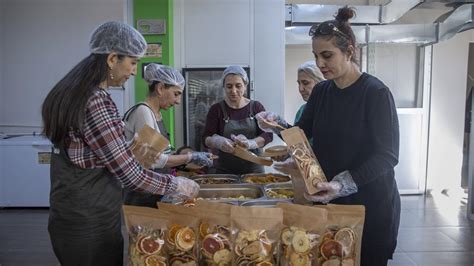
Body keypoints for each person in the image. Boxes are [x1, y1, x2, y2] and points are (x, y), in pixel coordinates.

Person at [41, 21, 199, 265]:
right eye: (133, 62)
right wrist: (176, 185)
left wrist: (126, 148)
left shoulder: (74, 92)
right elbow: (130, 176)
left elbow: (87, 154)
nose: (135, 71)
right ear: (113, 59)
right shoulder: (96, 101)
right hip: (89, 223)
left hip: (72, 217)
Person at [256, 7, 400, 266]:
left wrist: (342, 184)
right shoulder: (322, 92)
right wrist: (276, 126)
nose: (320, 64)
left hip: (369, 207)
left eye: (327, 55)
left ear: (349, 52)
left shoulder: (375, 93)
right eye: (316, 56)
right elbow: (301, 133)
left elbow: (387, 156)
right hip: (328, 203)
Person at [122, 63, 213, 207]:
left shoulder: (156, 114)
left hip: (156, 188)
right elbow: (152, 159)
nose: (177, 101)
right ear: (160, 88)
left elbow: (163, 152)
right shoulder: (143, 112)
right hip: (141, 192)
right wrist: (190, 157)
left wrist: (187, 157)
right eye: (176, 94)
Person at [203, 66, 273, 174]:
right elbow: (206, 138)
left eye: (238, 86)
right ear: (224, 87)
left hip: (254, 169)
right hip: (225, 170)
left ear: (245, 86)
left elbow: (268, 135)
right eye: (229, 86)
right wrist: (217, 141)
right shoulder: (216, 109)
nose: (233, 91)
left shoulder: (256, 107)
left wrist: (251, 143)